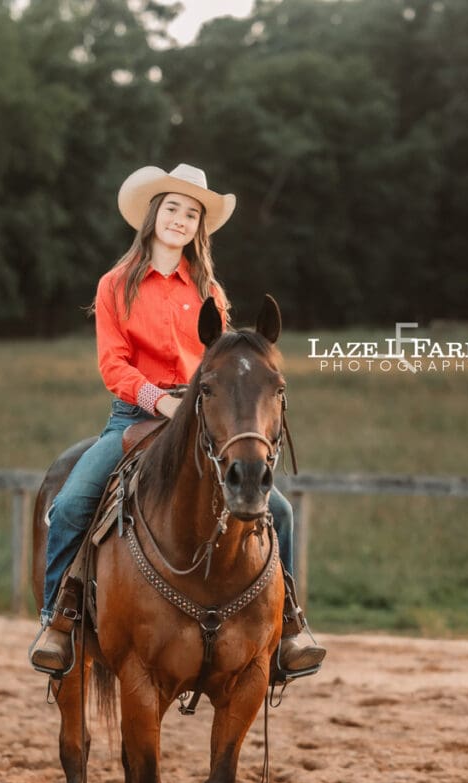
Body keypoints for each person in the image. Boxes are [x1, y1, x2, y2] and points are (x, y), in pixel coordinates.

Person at [29, 163, 325, 677]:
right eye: (172, 208)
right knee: (74, 500)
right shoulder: (115, 285)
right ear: (152, 215)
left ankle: (290, 626)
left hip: (201, 415)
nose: (181, 220)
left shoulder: (208, 289)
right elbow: (112, 364)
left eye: (192, 214)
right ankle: (59, 619)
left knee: (280, 512)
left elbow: (219, 364)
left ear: (198, 228)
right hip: (132, 417)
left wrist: (199, 405)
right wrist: (158, 400)